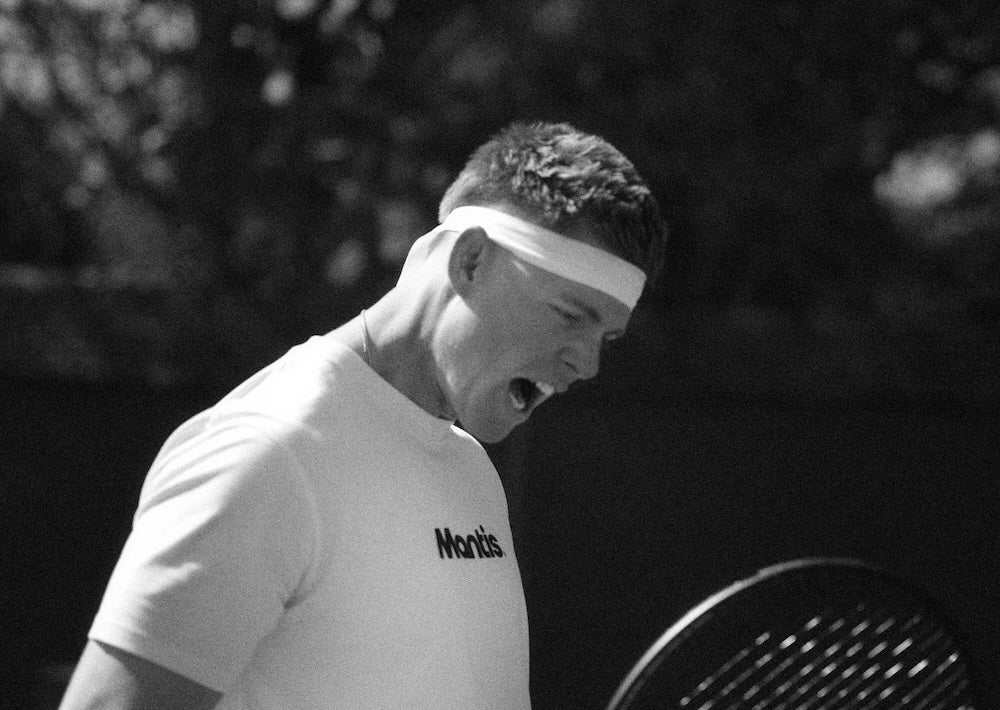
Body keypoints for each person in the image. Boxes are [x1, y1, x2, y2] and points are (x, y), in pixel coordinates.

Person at [58, 121, 667, 709]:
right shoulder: (268, 454)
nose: (587, 364)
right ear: (471, 261)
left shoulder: (470, 468)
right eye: (569, 315)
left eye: (606, 338)